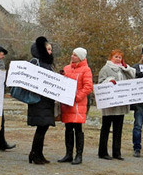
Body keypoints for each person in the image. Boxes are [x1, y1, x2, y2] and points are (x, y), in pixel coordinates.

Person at [98, 49, 136, 161]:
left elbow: (132, 78)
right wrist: (109, 81)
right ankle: (103, 152)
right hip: (109, 105)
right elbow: (100, 83)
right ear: (111, 57)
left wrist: (126, 68)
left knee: (118, 129)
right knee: (105, 128)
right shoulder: (105, 69)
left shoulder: (123, 69)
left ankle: (116, 152)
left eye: (120, 57)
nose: (118, 59)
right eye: (116, 57)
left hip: (120, 104)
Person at [58, 47, 93, 165]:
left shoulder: (86, 70)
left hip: (78, 104)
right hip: (67, 104)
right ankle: (68, 154)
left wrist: (77, 97)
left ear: (81, 57)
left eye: (75, 55)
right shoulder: (66, 68)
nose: (72, 56)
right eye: (72, 54)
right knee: (68, 129)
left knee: (78, 129)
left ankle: (79, 155)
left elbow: (88, 87)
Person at [27, 36, 55, 164]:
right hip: (38, 100)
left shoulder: (47, 63)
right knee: (41, 127)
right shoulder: (36, 62)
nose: (50, 52)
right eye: (48, 49)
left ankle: (38, 153)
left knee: (43, 128)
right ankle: (35, 154)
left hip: (46, 100)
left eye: (51, 49)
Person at [0, 44, 16, 151]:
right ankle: (2, 143)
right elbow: (1, 78)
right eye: (2, 53)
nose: (3, 55)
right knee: (1, 119)